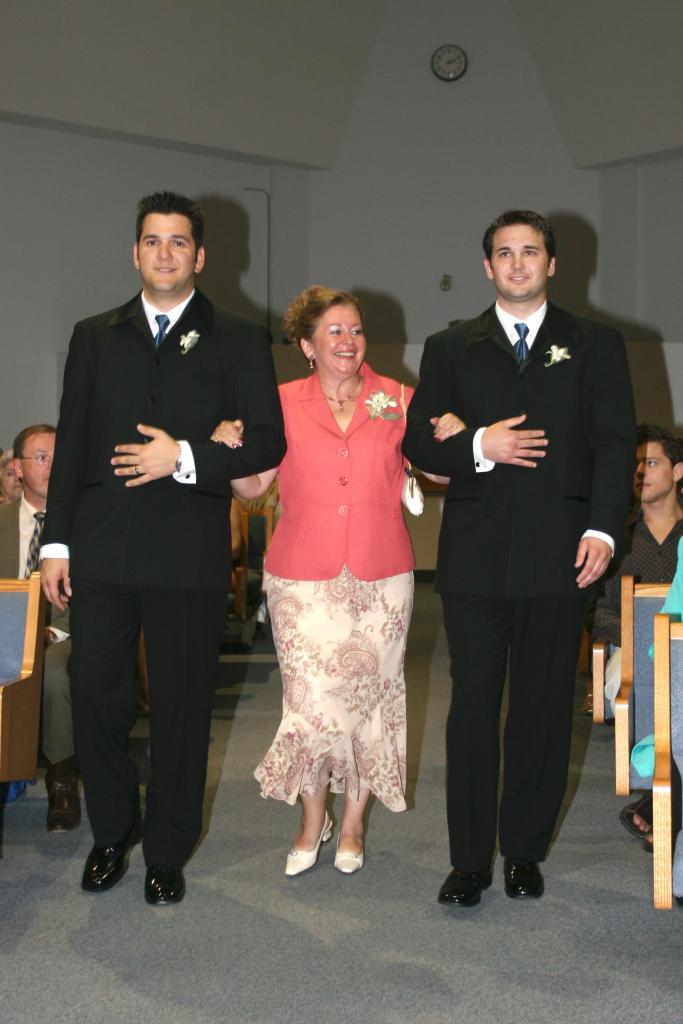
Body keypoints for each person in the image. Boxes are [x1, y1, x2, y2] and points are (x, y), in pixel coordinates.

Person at [41, 191, 285, 906]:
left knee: (181, 709)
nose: (165, 253)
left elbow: (266, 443)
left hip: (187, 552)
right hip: (102, 550)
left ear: (199, 256)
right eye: (153, 241)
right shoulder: (94, 335)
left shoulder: (238, 337)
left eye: (179, 242)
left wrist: (182, 456)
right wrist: (57, 542)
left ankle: (168, 849)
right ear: (135, 252)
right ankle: (112, 831)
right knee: (96, 697)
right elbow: (72, 441)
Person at [403, 209, 636, 907]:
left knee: (541, 708)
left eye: (529, 251)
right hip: (474, 559)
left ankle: (524, 852)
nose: (516, 263)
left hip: (562, 554)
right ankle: (469, 861)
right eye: (503, 253)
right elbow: (418, 442)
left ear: (551, 264)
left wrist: (603, 531)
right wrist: (480, 444)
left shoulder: (595, 344)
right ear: (487, 267)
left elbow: (614, 444)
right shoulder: (450, 347)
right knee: (472, 708)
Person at [214, 285, 454, 876]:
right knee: (310, 705)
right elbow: (253, 487)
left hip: (382, 577)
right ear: (307, 345)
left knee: (371, 702)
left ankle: (352, 824)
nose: (348, 341)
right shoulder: (279, 402)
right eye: (334, 331)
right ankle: (311, 817)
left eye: (356, 330)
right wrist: (229, 450)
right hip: (301, 576)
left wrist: (453, 433)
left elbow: (441, 472)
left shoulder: (398, 398)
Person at [592, 424, 683, 844]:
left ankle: (660, 796)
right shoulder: (616, 536)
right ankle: (662, 794)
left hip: (682, 652)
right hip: (629, 649)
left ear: (678, 471)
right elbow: (597, 612)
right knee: (637, 682)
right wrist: (640, 637)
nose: (640, 473)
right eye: (635, 465)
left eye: (651, 463)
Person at [0, 424, 79, 831]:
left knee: (51, 671)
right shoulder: (2, 520)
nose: (52, 466)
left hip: (65, 634)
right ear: (18, 467)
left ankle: (61, 779)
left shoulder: (83, 521)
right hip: (5, 632)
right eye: (42, 458)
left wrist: (50, 631)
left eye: (58, 458)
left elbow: (95, 594)